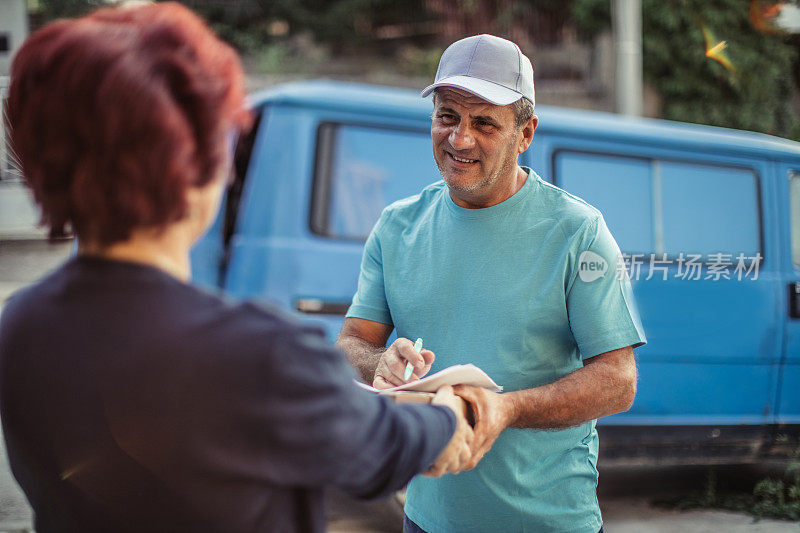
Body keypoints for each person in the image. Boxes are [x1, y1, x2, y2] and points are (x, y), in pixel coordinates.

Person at [0, 4, 474, 532]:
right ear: (199, 163)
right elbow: (386, 447)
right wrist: (450, 413)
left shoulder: (21, 326)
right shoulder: (256, 349)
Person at [337, 34, 647, 533]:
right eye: (447, 116)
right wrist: (384, 363)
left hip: (548, 524)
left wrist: (506, 409)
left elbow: (618, 381)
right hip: (425, 519)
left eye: (484, 123)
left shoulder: (577, 232)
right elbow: (352, 342)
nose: (459, 139)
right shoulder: (397, 226)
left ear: (526, 134)